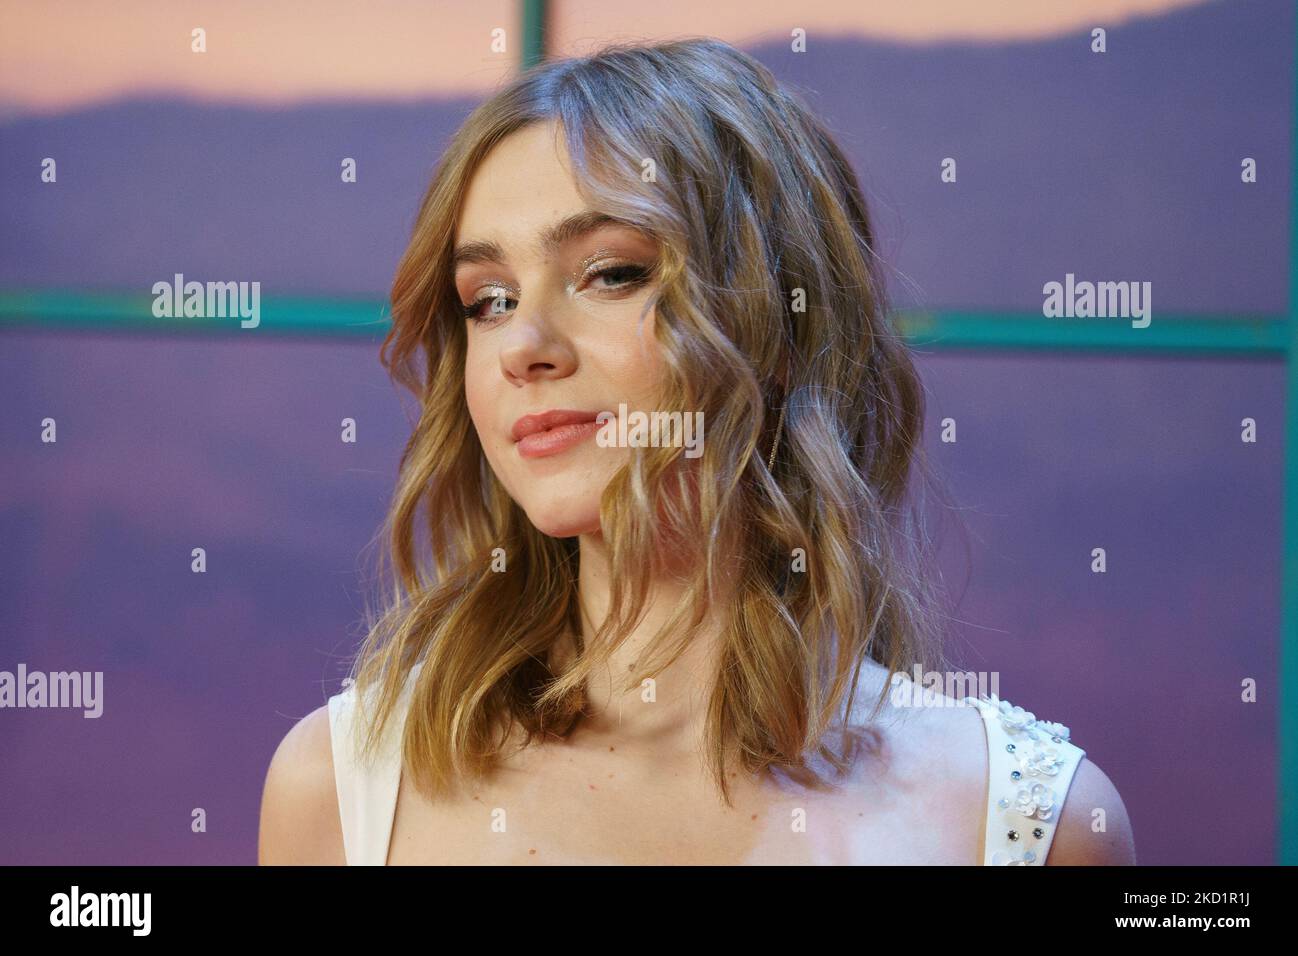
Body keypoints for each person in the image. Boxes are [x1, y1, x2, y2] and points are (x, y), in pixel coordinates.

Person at [258, 37, 1136, 866]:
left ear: (780, 326)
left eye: (611, 273)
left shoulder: (1027, 820)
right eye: (486, 298)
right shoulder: (340, 789)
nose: (524, 343)